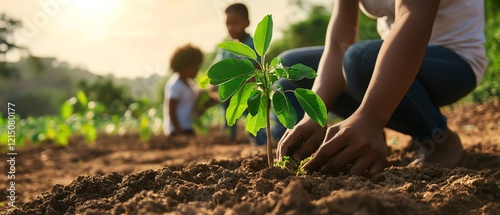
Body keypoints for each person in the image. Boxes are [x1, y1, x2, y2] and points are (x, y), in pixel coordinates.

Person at [277, 0, 488, 177]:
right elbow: (338, 44)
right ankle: (358, 136)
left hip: (454, 62)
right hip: (390, 56)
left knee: (362, 58)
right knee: (292, 64)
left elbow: (413, 17)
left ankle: (435, 135)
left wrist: (371, 118)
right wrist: (315, 114)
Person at [213, 3, 263, 143]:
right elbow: (217, 70)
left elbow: (254, 72)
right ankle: (230, 137)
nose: (230, 28)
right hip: (229, 97)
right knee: (229, 120)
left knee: (253, 121)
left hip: (248, 94)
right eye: (228, 24)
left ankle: (259, 142)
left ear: (247, 22)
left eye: (235, 23)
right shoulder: (226, 49)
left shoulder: (253, 45)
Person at [163, 44, 204, 136]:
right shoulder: (175, 85)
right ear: (185, 66)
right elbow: (171, 111)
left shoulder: (190, 85)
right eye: (195, 66)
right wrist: (180, 133)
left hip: (187, 128)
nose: (198, 69)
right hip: (176, 132)